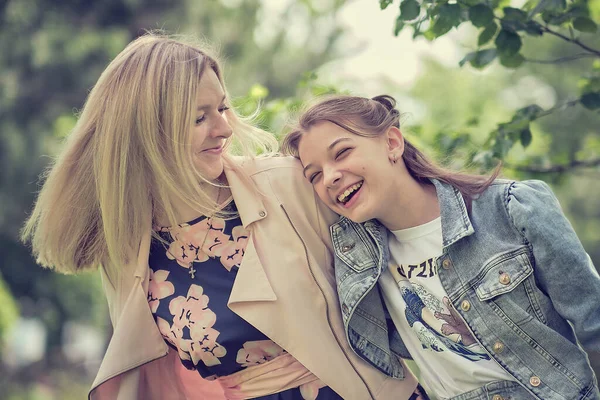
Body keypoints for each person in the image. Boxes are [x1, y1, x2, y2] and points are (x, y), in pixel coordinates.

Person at [20, 33, 429, 400]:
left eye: (222, 108)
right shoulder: (128, 247)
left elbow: (400, 263)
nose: (223, 128)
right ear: (149, 131)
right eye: (200, 117)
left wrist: (336, 348)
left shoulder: (288, 183)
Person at [282, 94, 600, 400]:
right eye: (315, 175)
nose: (330, 178)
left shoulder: (511, 207)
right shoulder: (358, 262)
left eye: (342, 153)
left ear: (391, 143)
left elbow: (593, 322)